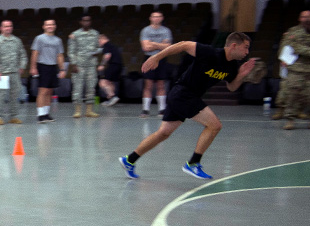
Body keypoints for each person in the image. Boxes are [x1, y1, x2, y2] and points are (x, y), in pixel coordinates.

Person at [119, 32, 255, 180]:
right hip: (182, 93)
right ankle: (193, 163)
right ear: (234, 45)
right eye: (245, 47)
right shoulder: (210, 52)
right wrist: (156, 57)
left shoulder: (232, 66)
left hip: (187, 96)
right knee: (214, 125)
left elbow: (232, 87)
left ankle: (129, 160)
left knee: (163, 133)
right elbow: (183, 44)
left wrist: (241, 74)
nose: (247, 52)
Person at [0, 20, 28, 125]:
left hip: (15, 73)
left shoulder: (17, 41)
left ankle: (13, 116)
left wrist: (22, 66)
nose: (8, 28)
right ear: (1, 28)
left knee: (15, 95)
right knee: (0, 96)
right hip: (1, 73)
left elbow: (23, 55)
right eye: (5, 26)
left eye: (10, 26)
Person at [277, 10, 310, 130]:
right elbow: (289, 46)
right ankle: (290, 119)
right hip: (296, 69)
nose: (306, 19)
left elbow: (298, 47)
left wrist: (300, 49)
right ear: (300, 18)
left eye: (308, 16)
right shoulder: (293, 31)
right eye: (304, 16)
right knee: (292, 95)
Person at [30, 19, 66, 123]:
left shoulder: (58, 40)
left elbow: (59, 55)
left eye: (52, 24)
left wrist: (62, 69)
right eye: (48, 24)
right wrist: (33, 67)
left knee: (50, 91)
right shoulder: (39, 38)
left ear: (55, 26)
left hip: (53, 67)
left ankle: (46, 114)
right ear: (44, 26)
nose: (50, 26)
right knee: (43, 91)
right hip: (42, 66)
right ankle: (40, 115)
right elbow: (35, 53)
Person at [139, 12, 173, 117]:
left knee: (161, 84)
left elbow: (168, 47)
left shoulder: (166, 31)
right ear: (150, 18)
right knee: (148, 84)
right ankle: (145, 110)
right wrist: (160, 44)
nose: (156, 18)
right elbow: (145, 47)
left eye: (158, 16)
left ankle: (162, 109)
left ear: (162, 18)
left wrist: (153, 44)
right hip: (149, 58)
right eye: (154, 16)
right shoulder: (145, 30)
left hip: (161, 59)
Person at [68, 15, 100, 118]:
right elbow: (71, 51)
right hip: (79, 65)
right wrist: (73, 64)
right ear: (80, 22)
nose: (86, 22)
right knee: (78, 88)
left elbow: (98, 47)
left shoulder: (95, 34)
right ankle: (77, 111)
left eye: (88, 21)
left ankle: (89, 111)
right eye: (84, 21)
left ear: (90, 22)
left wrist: (97, 52)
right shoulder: (75, 35)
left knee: (91, 87)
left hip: (91, 65)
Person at [98, 34, 123, 107]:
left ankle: (112, 96)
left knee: (102, 82)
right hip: (119, 66)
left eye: (99, 41)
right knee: (110, 82)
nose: (98, 42)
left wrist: (102, 64)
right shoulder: (112, 46)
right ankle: (111, 99)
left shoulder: (106, 45)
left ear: (102, 39)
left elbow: (107, 55)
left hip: (113, 65)